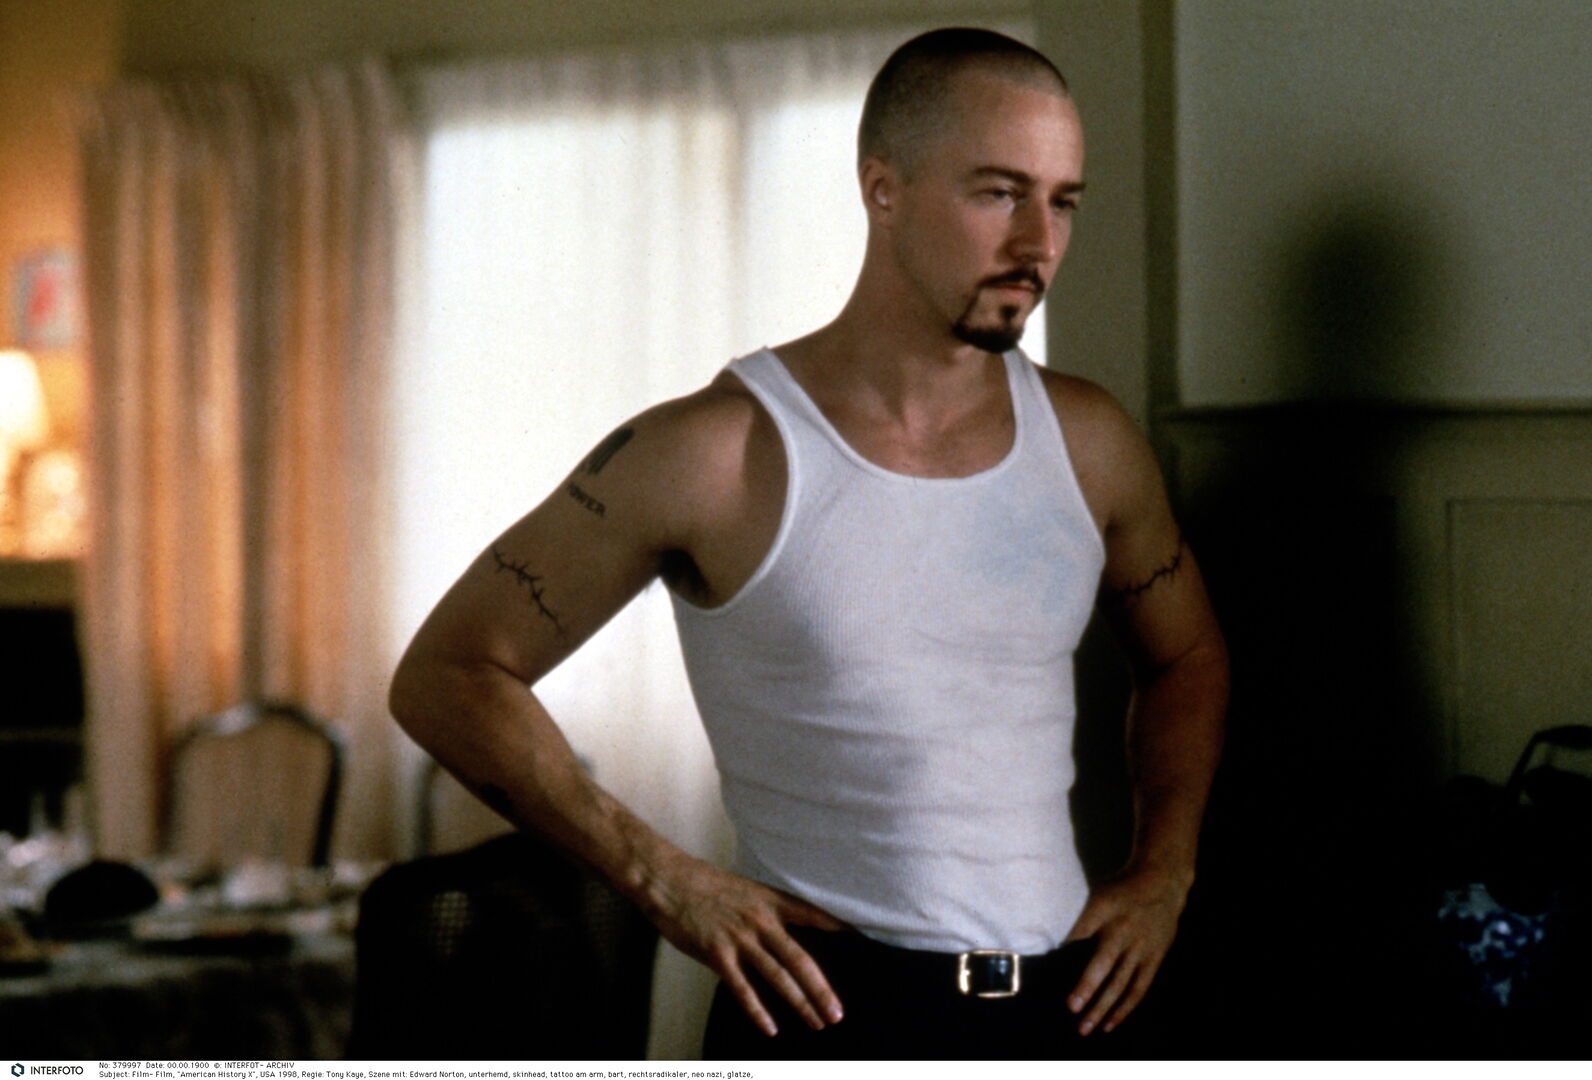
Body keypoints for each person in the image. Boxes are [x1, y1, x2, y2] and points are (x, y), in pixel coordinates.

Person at [389, 26, 1228, 1060]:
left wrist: (1164, 872)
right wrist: (661, 878)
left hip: (1063, 1010)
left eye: (1061, 202)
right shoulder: (715, 452)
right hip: (828, 1015)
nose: (1036, 244)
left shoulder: (1089, 441)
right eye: (998, 193)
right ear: (882, 189)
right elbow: (447, 675)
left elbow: (1187, 657)